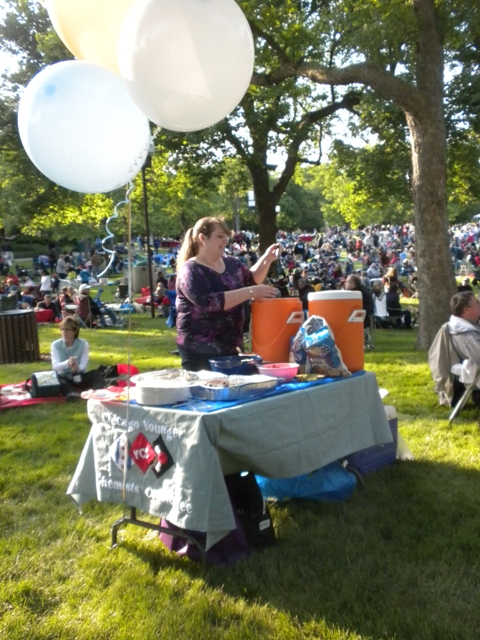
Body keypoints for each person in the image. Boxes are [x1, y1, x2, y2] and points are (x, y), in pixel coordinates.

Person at [175, 216, 282, 371]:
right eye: (219, 236)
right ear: (202, 238)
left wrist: (267, 259)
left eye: (226, 236)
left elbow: (251, 279)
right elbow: (210, 302)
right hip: (199, 349)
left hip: (231, 347)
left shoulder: (232, 263)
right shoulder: (190, 270)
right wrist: (251, 292)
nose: (225, 240)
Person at [50, 316, 105, 400]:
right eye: (62, 329)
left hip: (79, 375)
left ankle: (102, 390)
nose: (64, 332)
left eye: (67, 330)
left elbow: (84, 365)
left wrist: (77, 368)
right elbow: (55, 366)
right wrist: (68, 363)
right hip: (64, 377)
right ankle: (71, 393)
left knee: (94, 373)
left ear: (75, 331)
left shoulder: (83, 344)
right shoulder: (55, 345)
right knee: (57, 378)